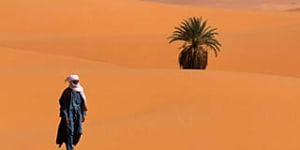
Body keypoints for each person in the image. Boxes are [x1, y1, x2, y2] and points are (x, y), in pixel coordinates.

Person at [56, 74, 88, 150]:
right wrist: (65, 116)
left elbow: (83, 104)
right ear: (71, 82)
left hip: (78, 114)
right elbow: (62, 104)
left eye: (77, 81)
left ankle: (70, 143)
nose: (76, 82)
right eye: (74, 81)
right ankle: (69, 147)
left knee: (79, 131)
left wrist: (83, 114)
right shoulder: (67, 92)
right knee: (70, 132)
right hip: (69, 114)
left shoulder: (80, 91)